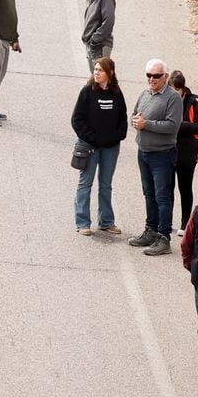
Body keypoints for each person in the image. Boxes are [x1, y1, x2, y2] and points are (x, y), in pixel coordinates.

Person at [72, 57, 127, 235]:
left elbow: (123, 121)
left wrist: (114, 138)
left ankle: (106, 221)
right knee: (85, 183)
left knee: (105, 184)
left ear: (110, 73)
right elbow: (77, 120)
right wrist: (92, 138)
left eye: (100, 70)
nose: (96, 72)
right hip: (89, 146)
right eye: (95, 69)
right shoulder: (87, 92)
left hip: (110, 148)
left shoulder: (117, 94)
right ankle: (82, 223)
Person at [131, 59, 181, 256]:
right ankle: (150, 230)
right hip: (143, 152)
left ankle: (164, 237)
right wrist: (135, 121)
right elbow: (135, 113)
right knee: (148, 193)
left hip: (162, 154)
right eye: (148, 75)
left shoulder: (173, 98)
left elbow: (172, 126)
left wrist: (146, 124)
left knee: (162, 197)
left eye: (156, 76)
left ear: (165, 77)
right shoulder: (145, 94)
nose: (151, 79)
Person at [174, 70, 198, 234]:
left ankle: (184, 224)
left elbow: (196, 126)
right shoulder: (167, 100)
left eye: (176, 90)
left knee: (185, 188)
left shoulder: (193, 102)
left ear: (182, 89)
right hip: (169, 150)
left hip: (187, 152)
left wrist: (178, 125)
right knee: (166, 188)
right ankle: (165, 222)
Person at [82, 0, 116, 70]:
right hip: (92, 46)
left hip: (100, 46)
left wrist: (94, 40)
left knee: (101, 78)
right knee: (96, 80)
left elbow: (108, 23)